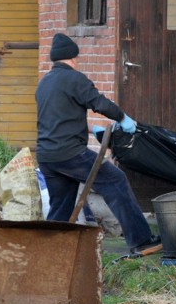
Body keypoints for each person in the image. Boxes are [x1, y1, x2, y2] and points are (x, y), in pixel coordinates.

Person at [35, 33, 161, 254]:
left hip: (47, 157)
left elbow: (58, 120)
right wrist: (122, 117)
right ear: (73, 58)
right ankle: (141, 241)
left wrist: (92, 129)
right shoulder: (75, 79)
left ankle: (49, 250)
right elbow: (100, 103)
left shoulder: (44, 83)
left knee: (61, 206)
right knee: (115, 180)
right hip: (71, 154)